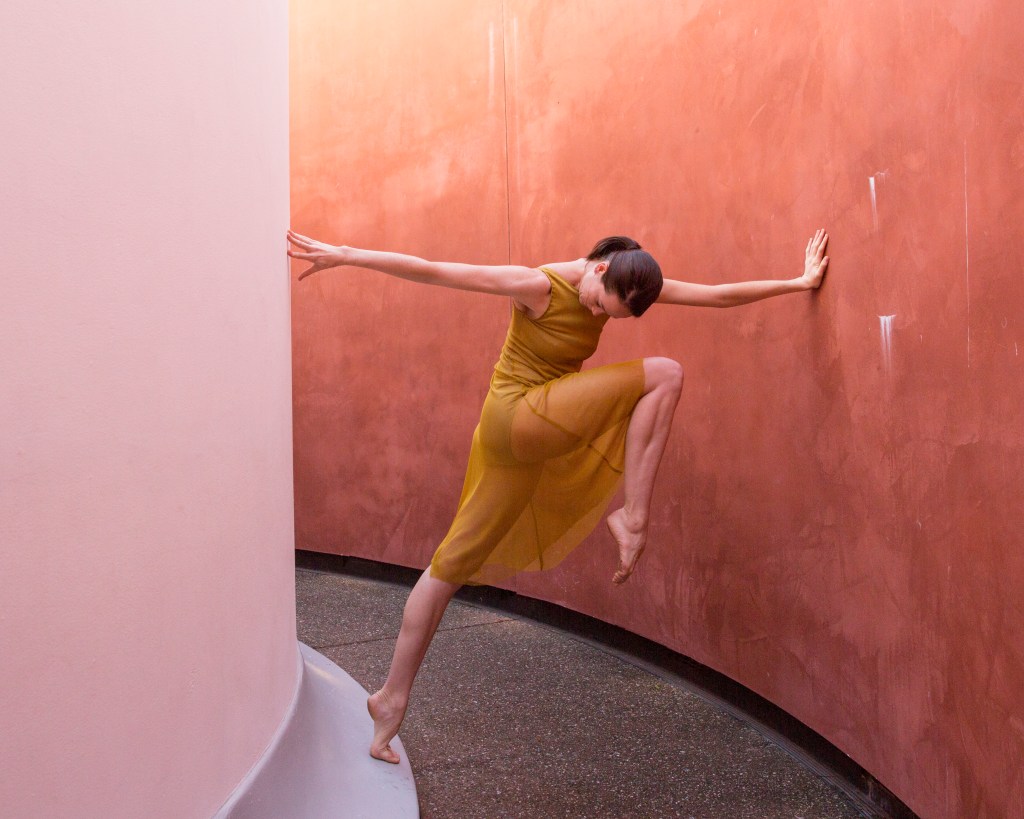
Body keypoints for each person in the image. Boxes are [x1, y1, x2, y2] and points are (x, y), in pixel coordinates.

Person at [286, 227, 830, 763]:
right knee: (665, 374)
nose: (597, 317)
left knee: (447, 568)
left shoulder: (628, 282)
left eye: (607, 317)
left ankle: (389, 701)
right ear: (596, 271)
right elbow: (438, 271)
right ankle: (633, 518)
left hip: (513, 443)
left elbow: (716, 295)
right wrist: (346, 254)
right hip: (518, 415)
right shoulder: (539, 287)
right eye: (598, 306)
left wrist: (798, 281)